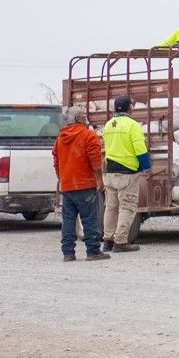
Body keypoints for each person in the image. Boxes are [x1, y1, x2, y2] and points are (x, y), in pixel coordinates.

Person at [52, 107, 107, 262]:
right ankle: (93, 251)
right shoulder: (88, 135)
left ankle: (68, 253)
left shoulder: (60, 138)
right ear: (78, 118)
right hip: (86, 186)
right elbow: (96, 162)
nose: (86, 117)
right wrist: (99, 180)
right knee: (90, 220)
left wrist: (62, 178)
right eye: (83, 115)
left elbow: (56, 162)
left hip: (67, 186)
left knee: (68, 220)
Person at [100, 95, 149, 254]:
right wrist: (145, 166)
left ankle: (107, 241)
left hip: (109, 173)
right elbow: (140, 149)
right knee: (127, 207)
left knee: (111, 208)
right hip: (126, 173)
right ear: (130, 108)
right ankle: (120, 242)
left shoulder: (108, 125)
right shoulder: (132, 125)